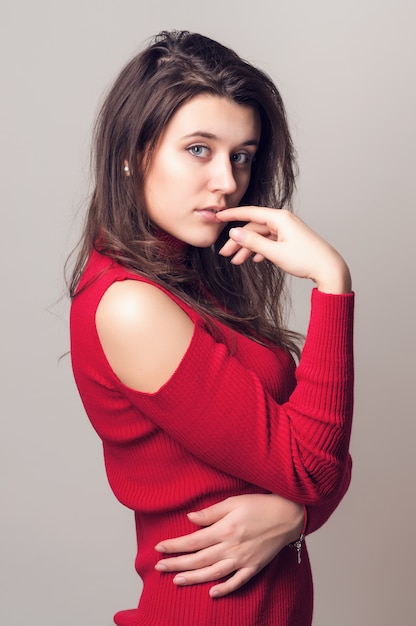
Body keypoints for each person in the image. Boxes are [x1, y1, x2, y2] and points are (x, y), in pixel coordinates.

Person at [69, 30, 354, 626]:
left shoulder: (193, 282)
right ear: (133, 151)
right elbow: (314, 466)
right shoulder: (130, 306)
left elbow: (313, 447)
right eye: (198, 149)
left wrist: (296, 515)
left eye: (241, 155)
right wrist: (332, 281)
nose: (226, 181)